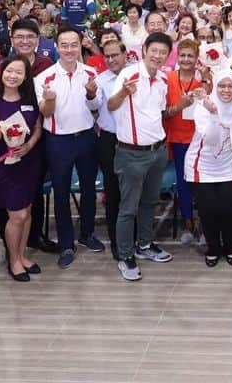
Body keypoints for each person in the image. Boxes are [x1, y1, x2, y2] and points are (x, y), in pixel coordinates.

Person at [108, 32, 175, 282]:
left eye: (163, 52)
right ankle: (125, 255)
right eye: (154, 50)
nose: (157, 56)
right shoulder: (128, 75)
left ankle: (145, 245)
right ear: (144, 49)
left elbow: (158, 113)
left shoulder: (164, 79)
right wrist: (124, 93)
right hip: (131, 154)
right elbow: (111, 106)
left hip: (157, 151)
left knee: (149, 202)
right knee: (128, 209)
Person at [35, 28, 104, 269]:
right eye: (64, 45)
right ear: (56, 47)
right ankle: (66, 243)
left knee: (88, 189)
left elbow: (96, 107)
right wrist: (49, 99)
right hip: (58, 141)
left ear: (80, 47)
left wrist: (92, 93)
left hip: (86, 137)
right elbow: (44, 113)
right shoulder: (44, 77)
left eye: (74, 45)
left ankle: (87, 234)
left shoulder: (91, 73)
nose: (69, 49)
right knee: (61, 192)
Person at [0, 56, 43, 282]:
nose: (13, 76)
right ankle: (13, 260)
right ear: (2, 72)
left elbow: (37, 127)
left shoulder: (30, 99)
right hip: (2, 165)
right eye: (9, 71)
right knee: (17, 214)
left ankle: (22, 255)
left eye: (18, 72)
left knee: (27, 212)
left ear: (26, 76)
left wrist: (29, 145)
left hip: (28, 161)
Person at [186, 68, 232, 267]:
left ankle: (231, 247)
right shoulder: (203, 106)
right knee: (208, 211)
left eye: (231, 86)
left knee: (229, 210)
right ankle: (213, 248)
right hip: (202, 165)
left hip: (228, 165)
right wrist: (215, 114)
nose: (226, 90)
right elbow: (211, 139)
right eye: (222, 85)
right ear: (215, 86)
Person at [165, 39, 203, 246]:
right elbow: (164, 111)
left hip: (199, 139)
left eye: (190, 55)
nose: (186, 59)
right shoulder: (168, 78)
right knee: (183, 182)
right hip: (178, 138)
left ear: (197, 59)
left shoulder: (204, 81)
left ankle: (204, 224)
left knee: (202, 183)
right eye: (183, 55)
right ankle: (188, 223)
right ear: (177, 57)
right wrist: (180, 106)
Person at [94, 38, 126, 259]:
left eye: (116, 55)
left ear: (125, 55)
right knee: (113, 191)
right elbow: (94, 106)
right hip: (109, 139)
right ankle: (117, 241)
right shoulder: (100, 80)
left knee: (133, 192)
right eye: (108, 56)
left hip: (133, 141)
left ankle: (134, 237)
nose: (112, 59)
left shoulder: (136, 76)